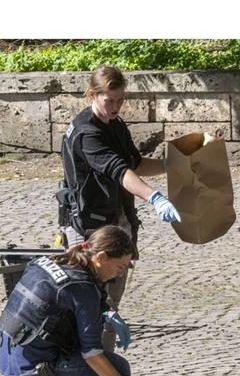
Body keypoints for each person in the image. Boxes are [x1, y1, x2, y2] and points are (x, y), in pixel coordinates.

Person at [58, 65, 181, 354]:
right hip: (87, 229)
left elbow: (133, 163)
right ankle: (81, 375)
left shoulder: (115, 125)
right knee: (87, 307)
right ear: (92, 94)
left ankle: (107, 370)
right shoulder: (87, 132)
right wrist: (154, 197)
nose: (115, 107)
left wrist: (170, 166)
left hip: (115, 224)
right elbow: (119, 171)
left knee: (110, 304)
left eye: (120, 100)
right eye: (109, 100)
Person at [0, 225, 159, 376]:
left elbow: (60, 300)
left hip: (8, 351)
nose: (120, 274)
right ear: (101, 258)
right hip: (33, 368)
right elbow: (92, 355)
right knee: (118, 368)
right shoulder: (82, 289)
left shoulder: (51, 261)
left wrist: (106, 312)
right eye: (120, 267)